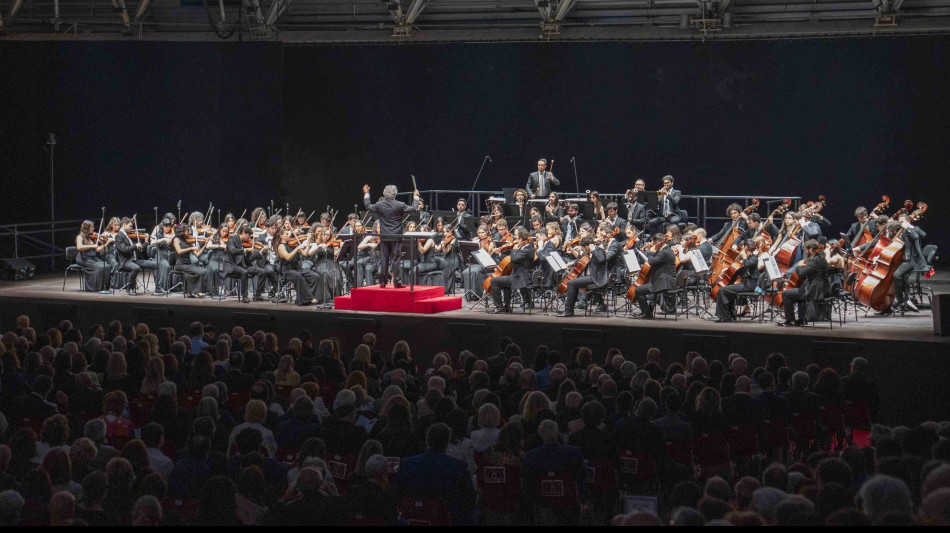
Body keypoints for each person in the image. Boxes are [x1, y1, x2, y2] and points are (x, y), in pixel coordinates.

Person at [362, 183, 420, 288]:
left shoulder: (380, 205)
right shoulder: (400, 204)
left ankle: (383, 282)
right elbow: (414, 209)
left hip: (384, 236)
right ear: (395, 193)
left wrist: (366, 193)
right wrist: (416, 197)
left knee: (384, 259)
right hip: (396, 236)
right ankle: (396, 282)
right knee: (396, 259)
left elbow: (368, 206)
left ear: (385, 193)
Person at [778, 239, 829, 327]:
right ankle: (801, 320)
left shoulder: (814, 261)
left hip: (814, 291)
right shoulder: (820, 258)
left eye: (805, 249)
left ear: (810, 250)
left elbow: (801, 274)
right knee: (799, 293)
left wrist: (798, 266)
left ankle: (790, 320)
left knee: (786, 294)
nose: (805, 252)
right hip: (820, 289)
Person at [557, 235, 609, 318]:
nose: (583, 250)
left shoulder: (599, 250)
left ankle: (568, 311)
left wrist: (594, 250)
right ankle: (569, 310)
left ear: (587, 246)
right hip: (591, 277)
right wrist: (573, 263)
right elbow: (583, 260)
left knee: (571, 283)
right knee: (574, 283)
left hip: (596, 279)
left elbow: (601, 259)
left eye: (584, 248)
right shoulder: (590, 252)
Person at [488, 227, 535, 313]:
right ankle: (506, 306)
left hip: (520, 278)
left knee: (494, 281)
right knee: (505, 282)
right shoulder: (527, 248)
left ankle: (499, 307)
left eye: (517, 239)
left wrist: (514, 249)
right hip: (519, 276)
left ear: (521, 239)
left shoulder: (527, 250)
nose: (516, 241)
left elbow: (514, 259)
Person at [714, 239, 761, 322]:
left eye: (742, 247)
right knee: (727, 290)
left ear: (745, 247)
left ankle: (725, 317)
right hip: (745, 284)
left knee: (722, 290)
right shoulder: (748, 258)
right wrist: (728, 270)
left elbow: (748, 264)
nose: (741, 248)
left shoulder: (754, 258)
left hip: (749, 285)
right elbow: (741, 270)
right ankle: (731, 315)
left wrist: (744, 256)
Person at [632, 232, 677, 319]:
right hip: (664, 280)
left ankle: (647, 314)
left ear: (657, 243)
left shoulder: (664, 253)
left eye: (653, 242)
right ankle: (648, 311)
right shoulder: (666, 250)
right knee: (647, 289)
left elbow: (651, 261)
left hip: (664, 282)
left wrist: (651, 252)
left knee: (638, 290)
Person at [223, 226, 267, 303]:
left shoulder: (245, 243)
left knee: (263, 272)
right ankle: (244, 296)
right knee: (244, 272)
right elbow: (233, 251)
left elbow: (249, 259)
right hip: (232, 265)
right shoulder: (232, 239)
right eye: (248, 236)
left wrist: (260, 252)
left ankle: (257, 295)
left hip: (243, 265)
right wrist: (245, 249)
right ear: (243, 233)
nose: (249, 238)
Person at [276, 229, 320, 305]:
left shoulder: (294, 244)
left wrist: (308, 241)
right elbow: (288, 257)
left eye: (289, 234)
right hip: (287, 271)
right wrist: (297, 248)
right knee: (298, 276)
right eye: (286, 234)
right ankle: (308, 299)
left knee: (315, 276)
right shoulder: (281, 246)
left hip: (297, 268)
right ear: (281, 236)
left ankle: (312, 296)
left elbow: (305, 254)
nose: (289, 235)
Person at [114, 217, 156, 295]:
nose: (131, 228)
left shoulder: (127, 236)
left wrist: (146, 242)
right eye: (130, 226)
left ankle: (158, 288)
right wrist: (135, 246)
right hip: (125, 261)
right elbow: (124, 249)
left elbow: (140, 250)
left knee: (154, 264)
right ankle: (129, 287)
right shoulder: (119, 236)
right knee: (136, 268)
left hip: (134, 260)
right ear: (124, 225)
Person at [172, 225, 209, 298]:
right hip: (180, 264)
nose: (189, 232)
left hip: (188, 264)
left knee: (204, 270)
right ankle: (198, 291)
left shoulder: (188, 240)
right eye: (187, 230)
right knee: (200, 272)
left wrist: (205, 245)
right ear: (183, 231)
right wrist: (191, 248)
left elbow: (197, 254)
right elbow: (179, 251)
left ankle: (189, 292)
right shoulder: (176, 239)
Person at [75, 221, 112, 293]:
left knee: (107, 266)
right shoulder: (80, 237)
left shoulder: (91, 237)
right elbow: (79, 247)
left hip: (92, 257)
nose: (93, 228)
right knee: (100, 267)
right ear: (87, 228)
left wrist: (106, 243)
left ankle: (104, 288)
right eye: (92, 227)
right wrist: (92, 245)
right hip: (84, 258)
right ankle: (94, 288)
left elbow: (97, 249)